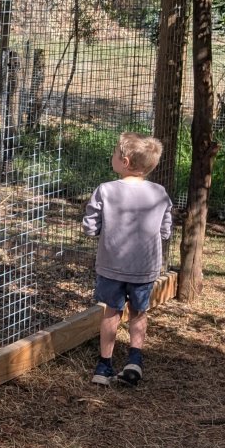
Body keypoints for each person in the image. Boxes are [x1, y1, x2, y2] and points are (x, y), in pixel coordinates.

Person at [82, 131, 173, 387]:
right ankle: (134, 360)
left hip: (111, 265)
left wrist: (95, 230)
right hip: (145, 267)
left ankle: (104, 366)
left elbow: (90, 225)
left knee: (112, 312)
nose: (112, 157)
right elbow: (166, 230)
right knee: (139, 311)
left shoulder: (106, 190)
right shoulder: (159, 193)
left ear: (125, 161)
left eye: (114, 153)